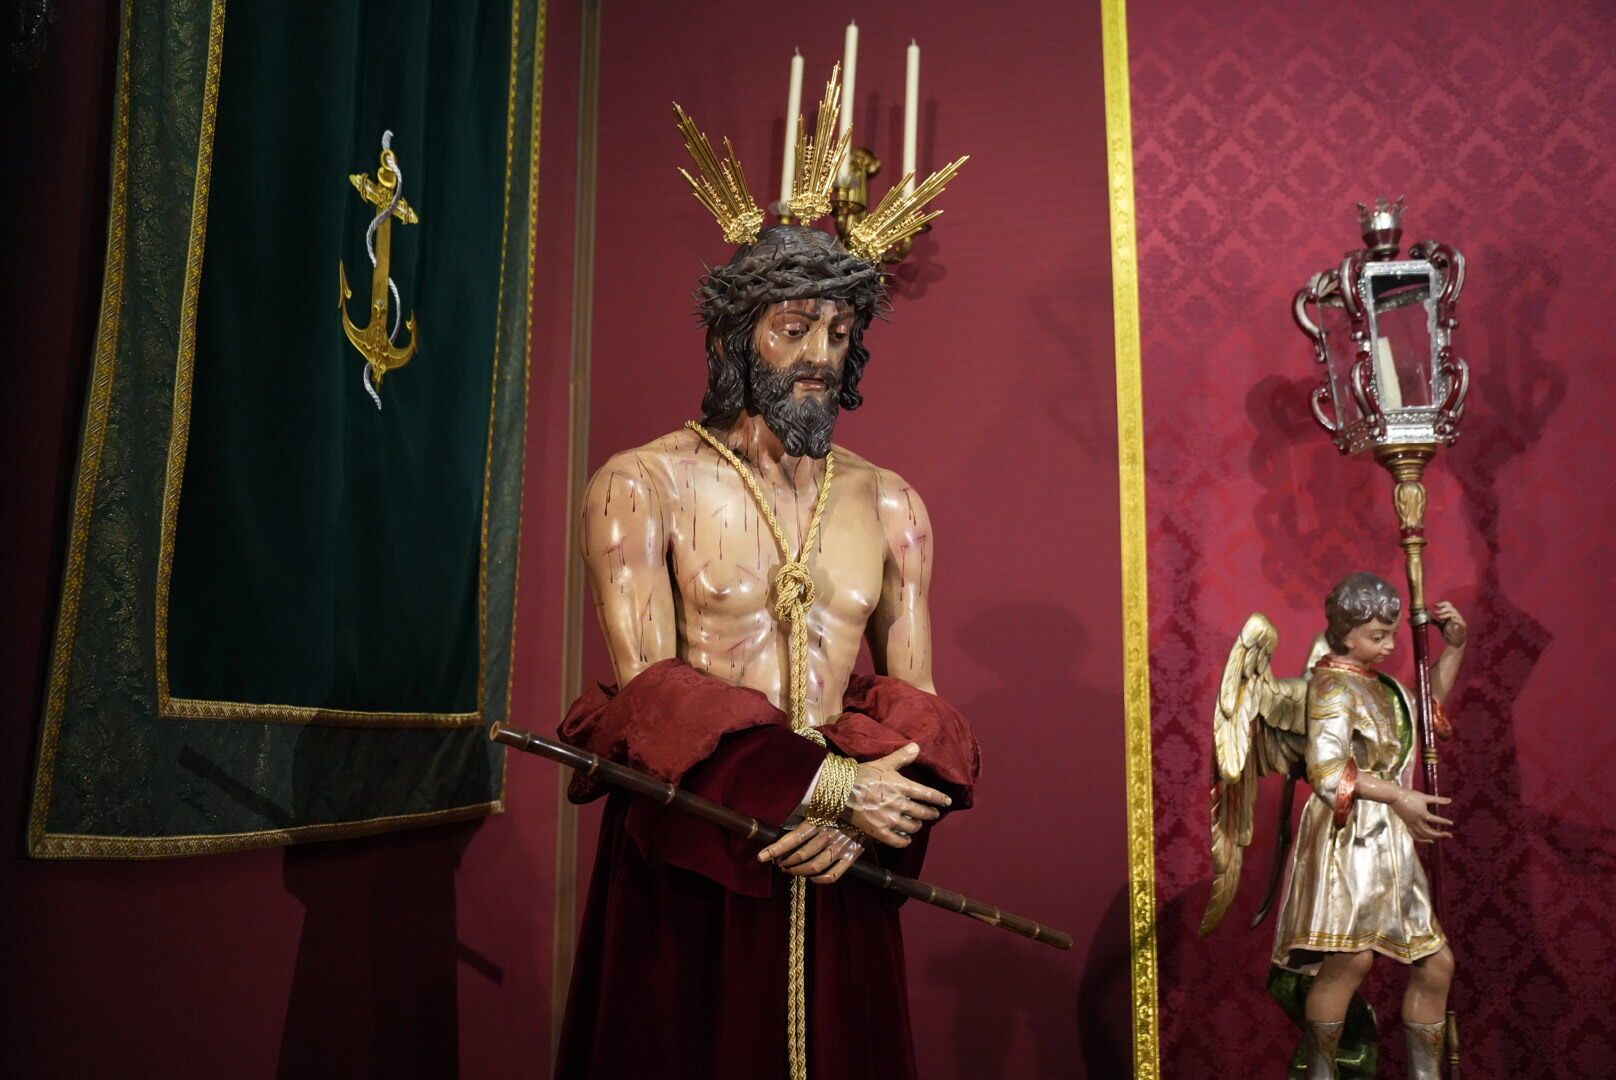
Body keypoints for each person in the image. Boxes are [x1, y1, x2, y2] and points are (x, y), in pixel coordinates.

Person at [554, 199, 979, 1079]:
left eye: (839, 333)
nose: (820, 355)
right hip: (696, 845)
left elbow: (918, 705)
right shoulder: (641, 485)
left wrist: (867, 821)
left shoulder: (890, 503)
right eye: (793, 330)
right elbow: (654, 698)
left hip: (837, 860)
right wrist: (825, 786)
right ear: (731, 339)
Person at [1272, 571, 1467, 1080]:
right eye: (1377, 636)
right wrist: (1399, 795)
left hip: (1391, 839)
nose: (1389, 646)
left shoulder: (1385, 687)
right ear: (1345, 633)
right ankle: (1322, 1072)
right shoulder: (1331, 687)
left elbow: (1426, 711)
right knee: (1350, 961)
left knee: (1436, 963)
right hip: (1348, 833)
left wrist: (1454, 648)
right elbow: (1326, 772)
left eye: (1392, 634)